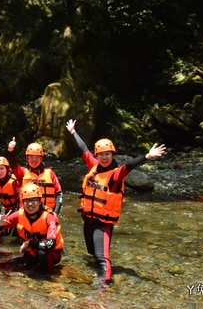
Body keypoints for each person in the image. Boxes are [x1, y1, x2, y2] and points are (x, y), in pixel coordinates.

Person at [66, 118, 167, 285]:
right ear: (97, 155)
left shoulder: (115, 174)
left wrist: (147, 156)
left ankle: (104, 285)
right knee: (91, 251)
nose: (104, 157)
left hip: (103, 221)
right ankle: (100, 270)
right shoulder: (94, 166)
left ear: (113, 154)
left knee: (101, 257)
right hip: (89, 218)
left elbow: (128, 167)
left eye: (107, 154)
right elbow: (83, 149)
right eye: (101, 154)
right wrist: (73, 132)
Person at [0, 183, 64, 273]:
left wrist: (30, 244)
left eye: (34, 200)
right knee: (7, 265)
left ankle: (45, 276)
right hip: (32, 252)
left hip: (50, 254)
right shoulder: (19, 215)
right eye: (27, 201)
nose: (30, 204)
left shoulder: (49, 217)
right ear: (22, 203)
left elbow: (50, 244)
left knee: (42, 253)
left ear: (40, 201)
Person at [6, 138, 63, 214]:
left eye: (37, 157)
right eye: (31, 157)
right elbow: (13, 165)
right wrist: (10, 151)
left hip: (47, 214)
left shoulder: (50, 173)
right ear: (27, 158)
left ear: (41, 158)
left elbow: (59, 194)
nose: (34, 160)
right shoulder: (22, 172)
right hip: (27, 214)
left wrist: (55, 213)